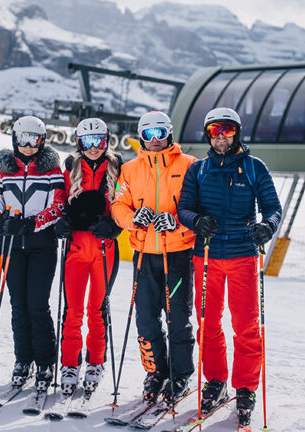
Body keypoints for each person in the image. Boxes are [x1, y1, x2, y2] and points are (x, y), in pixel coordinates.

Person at [177, 107, 281, 427]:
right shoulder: (199, 170)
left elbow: (273, 208)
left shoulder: (253, 167)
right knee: (208, 323)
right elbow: (184, 207)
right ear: (208, 134)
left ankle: (246, 386)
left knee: (246, 326)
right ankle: (215, 380)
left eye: (226, 130)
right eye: (214, 131)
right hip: (206, 254)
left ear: (237, 132)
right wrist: (197, 221)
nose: (220, 136)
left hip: (242, 255)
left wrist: (267, 226)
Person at [111, 111, 197, 403]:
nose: (155, 140)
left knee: (178, 318)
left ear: (170, 134)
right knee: (146, 318)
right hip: (144, 254)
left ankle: (180, 374)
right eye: (148, 134)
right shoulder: (130, 169)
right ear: (141, 138)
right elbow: (118, 204)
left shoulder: (189, 166)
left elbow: (199, 207)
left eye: (161, 133)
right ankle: (155, 372)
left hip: (177, 254)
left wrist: (177, 222)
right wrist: (134, 218)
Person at [0, 116, 65, 391]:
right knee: (18, 306)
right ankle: (23, 359)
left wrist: (33, 223)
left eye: (35, 139)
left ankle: (45, 360)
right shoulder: (3, 169)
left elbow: (58, 205)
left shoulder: (51, 170)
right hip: (11, 245)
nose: (29, 145)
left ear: (42, 141)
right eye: (24, 139)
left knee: (37, 304)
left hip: (41, 245)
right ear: (15, 139)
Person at [54, 118, 123, 395]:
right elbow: (60, 197)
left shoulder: (118, 168)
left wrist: (115, 225)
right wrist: (62, 220)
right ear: (80, 143)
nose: (94, 148)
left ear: (106, 142)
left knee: (97, 310)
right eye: (88, 142)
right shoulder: (71, 168)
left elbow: (126, 203)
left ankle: (96, 361)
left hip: (105, 249)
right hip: (76, 249)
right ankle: (70, 363)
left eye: (99, 142)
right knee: (73, 312)